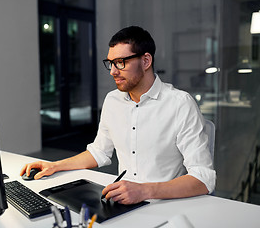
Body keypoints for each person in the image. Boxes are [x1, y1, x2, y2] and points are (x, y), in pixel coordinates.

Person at [20, 26, 216, 205]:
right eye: (110, 63)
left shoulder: (180, 104)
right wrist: (55, 166)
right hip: (123, 202)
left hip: (165, 204)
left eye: (120, 62)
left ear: (146, 61)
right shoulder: (112, 100)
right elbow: (99, 152)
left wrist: (144, 191)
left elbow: (203, 178)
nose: (113, 71)